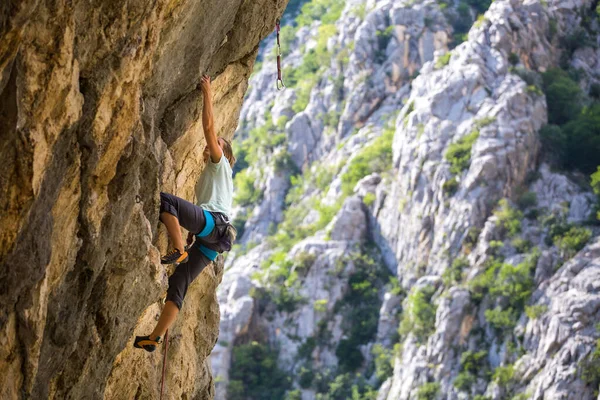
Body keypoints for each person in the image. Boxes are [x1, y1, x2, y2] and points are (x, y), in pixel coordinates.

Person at [134, 75, 235, 352]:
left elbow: (209, 127)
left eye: (219, 143)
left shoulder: (219, 164)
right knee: (179, 281)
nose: (213, 144)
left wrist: (207, 94)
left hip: (214, 226)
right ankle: (153, 338)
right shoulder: (215, 176)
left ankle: (178, 249)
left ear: (224, 152)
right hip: (213, 240)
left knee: (167, 201)